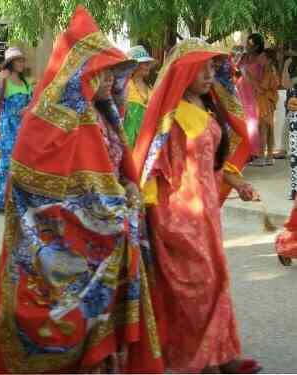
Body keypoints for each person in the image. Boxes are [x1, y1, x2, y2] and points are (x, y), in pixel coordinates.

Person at [0, 6, 164, 374]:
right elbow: (30, 188)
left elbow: (118, 171)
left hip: (111, 243)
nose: (106, 80)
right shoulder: (44, 122)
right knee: (60, 329)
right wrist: (106, 207)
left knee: (103, 332)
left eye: (112, 72)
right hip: (61, 251)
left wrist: (128, 190)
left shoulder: (105, 115)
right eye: (99, 71)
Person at [133, 38, 261, 373]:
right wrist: (150, 215)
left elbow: (213, 163)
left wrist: (240, 184)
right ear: (184, 71)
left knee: (216, 278)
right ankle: (204, 358)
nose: (209, 74)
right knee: (198, 285)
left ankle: (221, 354)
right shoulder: (170, 117)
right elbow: (152, 168)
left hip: (206, 212)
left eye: (211, 67)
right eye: (202, 67)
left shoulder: (206, 107)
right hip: (178, 213)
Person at [0, 47, 33, 214]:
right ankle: (1, 201)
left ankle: (17, 200)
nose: (21, 63)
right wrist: (0, 80)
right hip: (7, 128)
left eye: (22, 60)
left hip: (24, 129)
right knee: (5, 165)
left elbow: (32, 103)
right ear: (10, 63)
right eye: (18, 60)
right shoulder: (3, 81)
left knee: (22, 165)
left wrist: (28, 108)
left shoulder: (26, 82)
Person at [236, 33, 264, 160]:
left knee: (252, 124)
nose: (247, 45)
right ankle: (243, 152)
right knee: (241, 123)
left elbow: (260, 82)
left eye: (250, 44)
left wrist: (247, 75)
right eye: (247, 42)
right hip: (240, 94)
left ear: (257, 46)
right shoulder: (243, 58)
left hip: (252, 97)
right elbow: (235, 72)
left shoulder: (261, 60)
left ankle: (253, 153)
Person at [123, 45, 155, 148]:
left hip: (147, 142)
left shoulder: (151, 90)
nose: (148, 66)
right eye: (145, 63)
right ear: (134, 66)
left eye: (148, 63)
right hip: (128, 142)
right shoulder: (125, 86)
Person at [255, 49, 279, 166]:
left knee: (263, 129)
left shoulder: (269, 70)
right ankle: (269, 156)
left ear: (268, 59)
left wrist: (250, 78)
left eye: (262, 57)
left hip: (266, 102)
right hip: (268, 102)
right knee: (268, 129)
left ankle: (261, 157)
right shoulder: (267, 69)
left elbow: (262, 88)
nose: (260, 59)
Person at [282, 51, 297, 199]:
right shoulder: (293, 76)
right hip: (294, 120)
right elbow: (286, 84)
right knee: (295, 157)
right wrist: (286, 66)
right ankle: (295, 189)